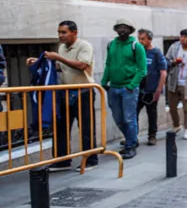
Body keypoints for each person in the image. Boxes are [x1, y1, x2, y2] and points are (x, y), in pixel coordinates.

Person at [30, 21, 99, 172]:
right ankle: (62, 160)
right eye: (59, 32)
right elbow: (61, 67)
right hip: (65, 92)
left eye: (64, 32)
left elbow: (82, 65)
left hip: (83, 92)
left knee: (86, 128)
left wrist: (58, 58)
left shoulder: (84, 46)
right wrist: (39, 62)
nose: (60, 35)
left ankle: (90, 160)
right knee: (60, 127)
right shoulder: (62, 47)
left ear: (74, 32)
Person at [102, 19, 147, 160]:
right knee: (118, 118)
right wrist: (104, 81)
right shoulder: (111, 45)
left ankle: (130, 146)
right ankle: (131, 139)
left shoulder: (136, 46)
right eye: (119, 27)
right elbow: (108, 64)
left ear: (130, 30)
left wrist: (131, 86)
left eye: (125, 28)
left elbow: (142, 69)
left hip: (128, 88)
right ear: (115, 29)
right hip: (113, 88)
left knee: (129, 118)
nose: (122, 30)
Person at [135, 29, 167, 146]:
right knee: (134, 113)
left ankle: (152, 136)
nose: (140, 41)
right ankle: (134, 137)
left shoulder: (156, 53)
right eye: (139, 39)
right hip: (138, 89)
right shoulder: (138, 52)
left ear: (149, 39)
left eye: (143, 39)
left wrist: (158, 90)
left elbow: (163, 73)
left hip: (151, 90)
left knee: (151, 113)